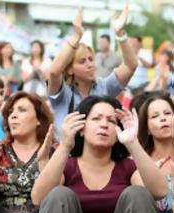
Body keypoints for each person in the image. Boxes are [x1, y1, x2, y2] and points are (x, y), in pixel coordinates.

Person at [31, 95, 168, 213]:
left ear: (117, 133)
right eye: (96, 119)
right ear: (82, 128)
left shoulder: (127, 166)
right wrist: (65, 146)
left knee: (138, 193)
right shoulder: (67, 166)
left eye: (111, 120)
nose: (104, 124)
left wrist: (133, 143)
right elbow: (38, 198)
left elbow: (160, 192)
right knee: (58, 194)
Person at [48, 5, 137, 136]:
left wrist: (120, 34)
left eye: (91, 59)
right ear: (70, 70)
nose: (90, 64)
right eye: (82, 61)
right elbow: (54, 72)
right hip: (66, 155)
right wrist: (76, 36)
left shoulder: (104, 86)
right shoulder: (62, 92)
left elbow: (131, 66)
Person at [137, 92, 174, 213]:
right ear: (146, 128)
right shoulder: (138, 162)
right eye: (155, 116)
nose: (163, 119)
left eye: (168, 113)